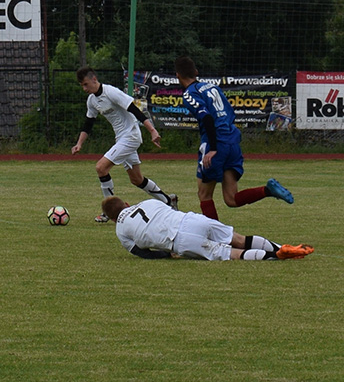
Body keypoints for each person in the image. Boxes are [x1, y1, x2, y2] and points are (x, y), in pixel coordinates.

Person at [174, 55, 293, 220]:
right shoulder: (213, 87)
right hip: (232, 139)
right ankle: (267, 190)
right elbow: (229, 112)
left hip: (217, 143)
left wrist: (213, 149)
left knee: (204, 194)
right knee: (231, 199)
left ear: (178, 75)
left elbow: (207, 118)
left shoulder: (190, 93)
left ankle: (217, 239)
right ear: (196, 71)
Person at [72, 66, 177, 223]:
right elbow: (88, 124)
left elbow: (135, 110)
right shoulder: (92, 101)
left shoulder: (111, 92)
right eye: (82, 85)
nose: (84, 88)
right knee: (137, 179)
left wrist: (152, 131)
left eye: (86, 84)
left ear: (94, 79)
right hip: (121, 138)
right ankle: (168, 201)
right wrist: (79, 143)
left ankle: (109, 212)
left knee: (101, 168)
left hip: (131, 136)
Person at [102, 196, 314, 261]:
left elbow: (141, 253)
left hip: (180, 240)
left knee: (233, 254)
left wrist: (167, 255)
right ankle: (283, 247)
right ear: (127, 204)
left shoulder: (120, 231)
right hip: (192, 219)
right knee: (238, 238)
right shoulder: (148, 202)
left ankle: (277, 256)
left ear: (112, 219)